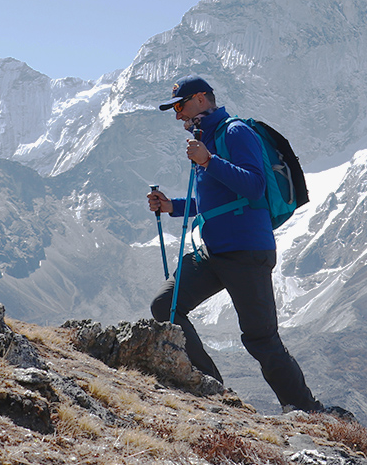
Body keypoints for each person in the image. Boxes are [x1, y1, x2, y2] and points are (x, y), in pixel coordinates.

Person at [148, 76, 347, 418]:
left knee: (260, 339)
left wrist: (209, 161)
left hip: (246, 251)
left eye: (180, 106)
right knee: (165, 305)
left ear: (200, 99)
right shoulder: (206, 139)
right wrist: (171, 207)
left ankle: (308, 411)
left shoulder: (235, 132)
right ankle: (210, 388)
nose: (178, 115)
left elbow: (255, 187)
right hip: (215, 250)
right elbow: (214, 199)